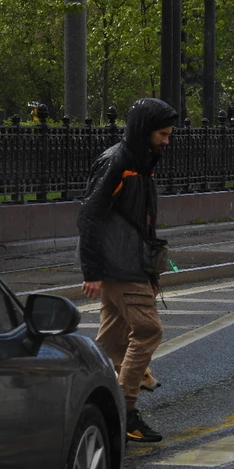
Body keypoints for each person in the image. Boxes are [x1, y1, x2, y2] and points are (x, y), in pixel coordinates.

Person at [77, 97, 177, 443]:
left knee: (111, 340)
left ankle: (83, 398)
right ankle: (124, 410)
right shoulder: (119, 162)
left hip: (132, 264)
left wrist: (152, 275)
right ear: (144, 131)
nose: (167, 140)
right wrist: (91, 269)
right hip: (120, 265)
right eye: (162, 134)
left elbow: (143, 223)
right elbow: (90, 215)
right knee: (148, 331)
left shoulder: (141, 161)